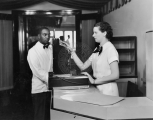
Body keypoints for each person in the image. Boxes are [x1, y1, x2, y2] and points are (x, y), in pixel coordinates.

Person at [64, 22, 119, 96]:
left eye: (96, 32)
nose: (93, 35)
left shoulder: (110, 49)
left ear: (104, 33)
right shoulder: (97, 49)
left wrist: (94, 81)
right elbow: (83, 66)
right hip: (98, 88)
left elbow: (115, 75)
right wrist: (72, 52)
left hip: (109, 90)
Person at [27, 27, 53, 120]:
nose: (47, 37)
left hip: (50, 90)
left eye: (48, 35)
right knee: (40, 117)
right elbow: (37, 71)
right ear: (38, 36)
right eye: (44, 34)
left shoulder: (50, 48)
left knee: (49, 117)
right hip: (39, 90)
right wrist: (52, 79)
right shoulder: (32, 51)